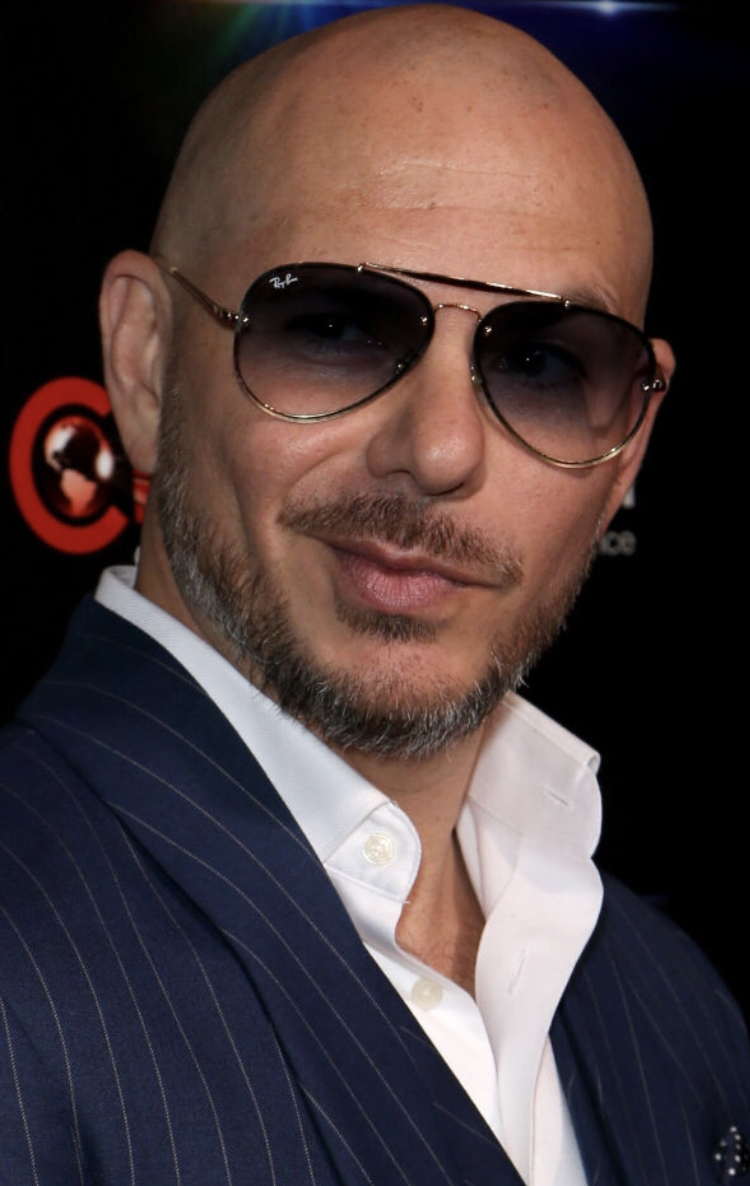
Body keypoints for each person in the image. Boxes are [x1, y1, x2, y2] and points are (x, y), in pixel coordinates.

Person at [1, 6, 748, 1184]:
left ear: (630, 448)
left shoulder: (678, 1014)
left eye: (542, 362)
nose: (440, 450)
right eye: (335, 326)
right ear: (145, 364)